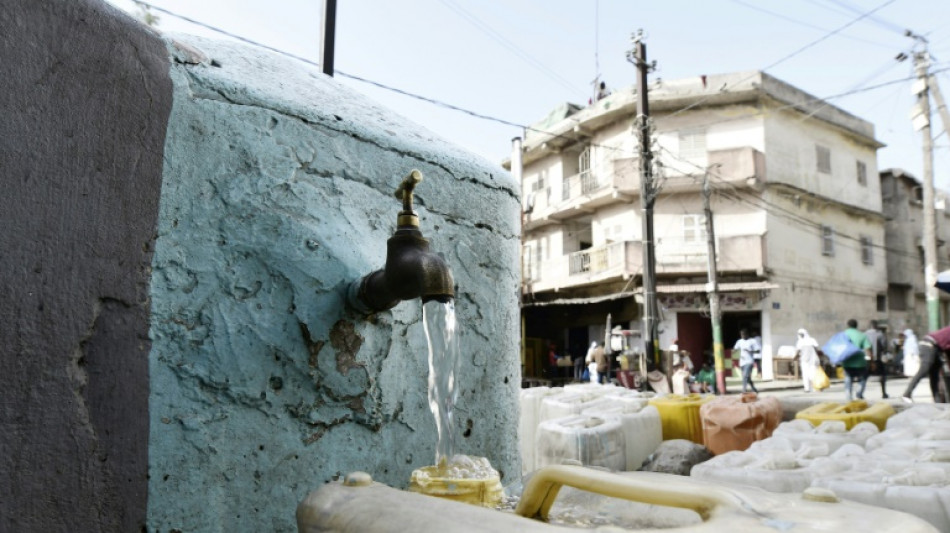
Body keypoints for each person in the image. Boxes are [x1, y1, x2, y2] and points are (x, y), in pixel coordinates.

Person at [902, 325, 950, 403]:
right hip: (929, 346)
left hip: (936, 348)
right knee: (923, 370)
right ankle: (907, 394)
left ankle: (937, 401)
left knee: (934, 376)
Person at [841, 319, 872, 401]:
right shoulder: (862, 335)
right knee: (863, 378)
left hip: (847, 361)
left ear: (848, 325)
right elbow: (868, 348)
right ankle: (859, 394)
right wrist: (869, 359)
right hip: (860, 362)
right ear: (856, 325)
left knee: (848, 378)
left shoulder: (843, 335)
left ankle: (848, 395)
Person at [864, 320, 889, 398]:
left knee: (864, 376)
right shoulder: (880, 334)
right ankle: (884, 393)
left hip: (867, 358)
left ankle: (860, 392)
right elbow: (884, 345)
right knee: (882, 375)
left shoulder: (864, 334)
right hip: (877, 358)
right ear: (876, 326)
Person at [734, 329, 761, 393]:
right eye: (741, 334)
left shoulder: (752, 341)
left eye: (744, 334)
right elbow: (735, 349)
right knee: (747, 377)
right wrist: (734, 351)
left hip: (749, 361)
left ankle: (744, 390)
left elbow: (758, 351)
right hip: (742, 362)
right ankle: (754, 389)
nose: (742, 336)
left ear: (747, 334)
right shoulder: (739, 341)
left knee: (745, 376)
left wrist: (750, 351)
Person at [796, 328, 820, 393]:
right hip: (811, 359)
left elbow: (798, 351)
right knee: (812, 374)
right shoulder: (812, 340)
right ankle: (812, 388)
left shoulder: (800, 342)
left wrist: (795, 357)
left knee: (807, 374)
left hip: (805, 360)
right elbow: (817, 349)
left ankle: (807, 388)